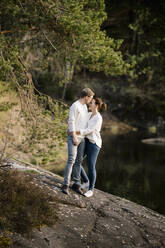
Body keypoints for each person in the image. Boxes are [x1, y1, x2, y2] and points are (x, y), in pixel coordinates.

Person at [61, 88, 94, 195]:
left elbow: (82, 123)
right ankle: (65, 184)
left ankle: (76, 184)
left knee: (78, 162)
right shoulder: (75, 106)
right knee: (71, 160)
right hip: (74, 137)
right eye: (91, 98)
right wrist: (74, 136)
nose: (91, 100)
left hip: (82, 138)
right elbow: (71, 121)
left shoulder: (84, 107)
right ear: (86, 97)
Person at [75, 97, 107, 197]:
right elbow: (82, 125)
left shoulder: (98, 117)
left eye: (91, 103)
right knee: (76, 161)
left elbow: (89, 130)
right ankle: (86, 181)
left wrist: (76, 132)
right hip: (86, 141)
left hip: (94, 144)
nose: (89, 104)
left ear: (96, 105)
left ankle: (91, 189)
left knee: (91, 166)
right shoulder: (88, 114)